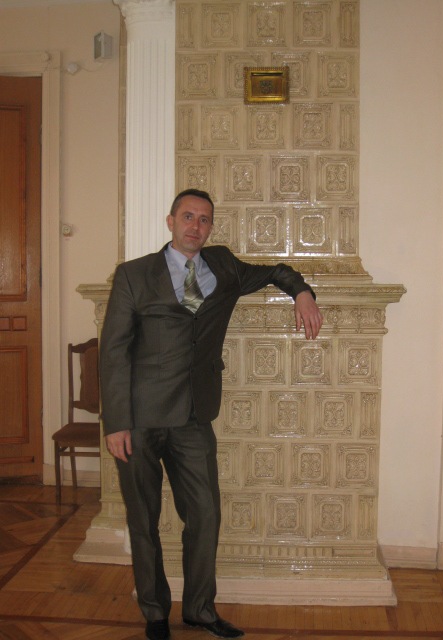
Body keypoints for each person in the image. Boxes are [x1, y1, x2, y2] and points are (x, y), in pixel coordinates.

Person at [100, 188, 323, 640]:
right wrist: (116, 422)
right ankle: (155, 612)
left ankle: (200, 609)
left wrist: (302, 292)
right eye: (187, 217)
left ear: (210, 227)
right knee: (143, 519)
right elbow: (114, 351)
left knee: (205, 515)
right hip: (139, 418)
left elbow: (276, 270)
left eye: (204, 219)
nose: (195, 226)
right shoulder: (133, 274)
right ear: (170, 222)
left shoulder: (224, 266)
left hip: (193, 416)